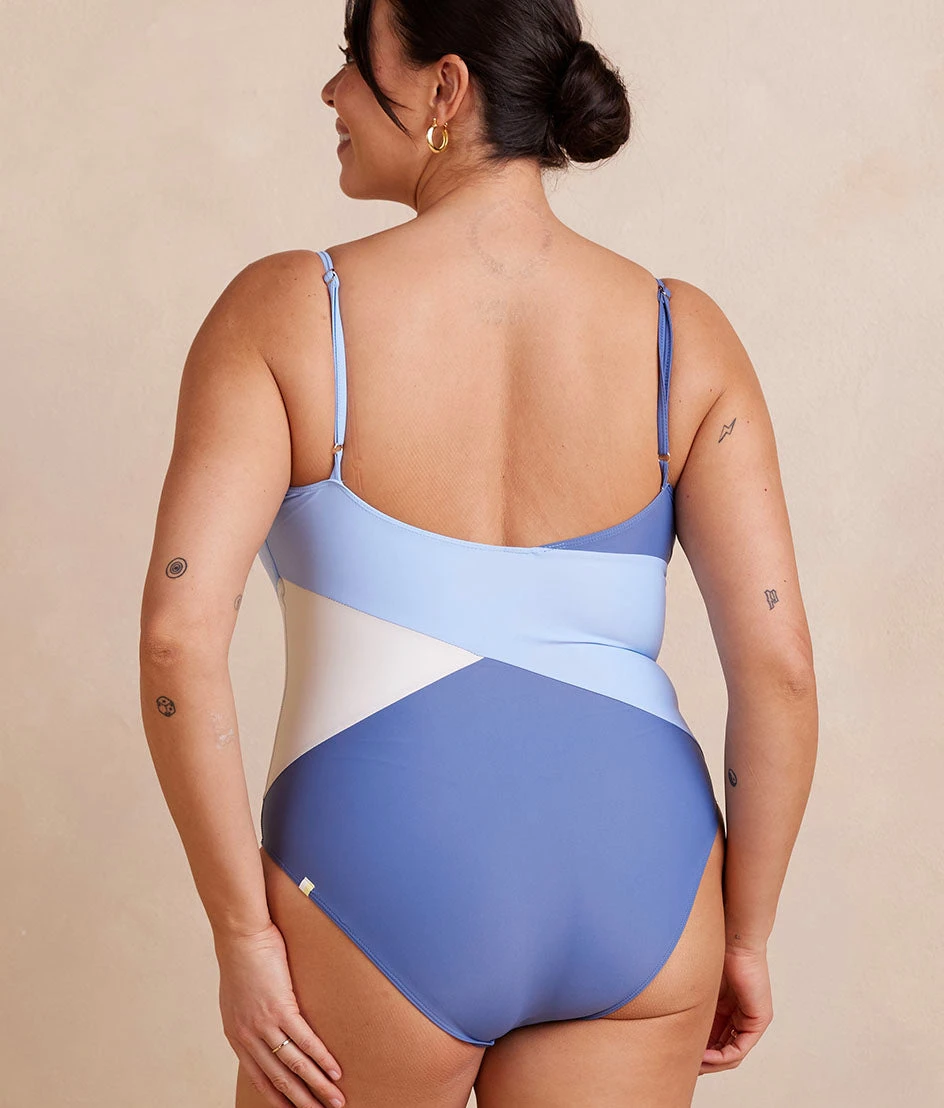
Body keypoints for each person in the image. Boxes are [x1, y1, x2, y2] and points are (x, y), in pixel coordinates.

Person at [138, 0, 818, 1105]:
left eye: (354, 60)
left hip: (381, 873)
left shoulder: (285, 312)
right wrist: (743, 932)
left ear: (445, 89)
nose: (332, 92)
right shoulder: (680, 333)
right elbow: (779, 668)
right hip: (644, 880)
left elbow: (177, 639)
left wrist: (243, 936)